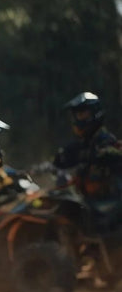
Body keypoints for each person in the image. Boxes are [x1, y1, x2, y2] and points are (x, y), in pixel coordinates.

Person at [53, 92, 122, 230]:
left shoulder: (105, 140)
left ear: (94, 113)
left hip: (110, 204)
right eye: (77, 115)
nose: (78, 118)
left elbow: (113, 153)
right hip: (91, 202)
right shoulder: (83, 144)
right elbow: (61, 160)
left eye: (82, 113)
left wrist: (105, 154)